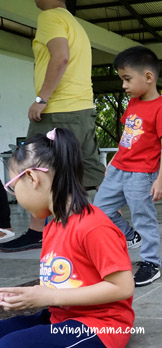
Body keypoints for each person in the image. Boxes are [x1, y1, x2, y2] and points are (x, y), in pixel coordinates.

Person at [0, 128, 134, 348]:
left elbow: (122, 287)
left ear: (32, 178)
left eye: (14, 188)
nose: (16, 195)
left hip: (100, 325)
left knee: (10, 345)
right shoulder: (53, 225)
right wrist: (26, 295)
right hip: (61, 316)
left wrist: (49, 297)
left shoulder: (94, 227)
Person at [0, 0, 105, 252]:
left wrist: (41, 99)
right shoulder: (74, 23)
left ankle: (37, 232)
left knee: (33, 166)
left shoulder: (50, 17)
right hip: (81, 107)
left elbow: (61, 57)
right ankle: (114, 225)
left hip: (58, 109)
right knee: (90, 170)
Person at [93, 46, 162, 287]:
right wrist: (113, 161)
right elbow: (127, 136)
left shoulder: (161, 108)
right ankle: (130, 236)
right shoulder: (133, 104)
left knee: (144, 218)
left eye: (127, 79)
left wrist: (161, 179)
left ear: (148, 77)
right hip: (119, 169)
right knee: (99, 211)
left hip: (142, 175)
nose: (124, 85)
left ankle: (151, 263)